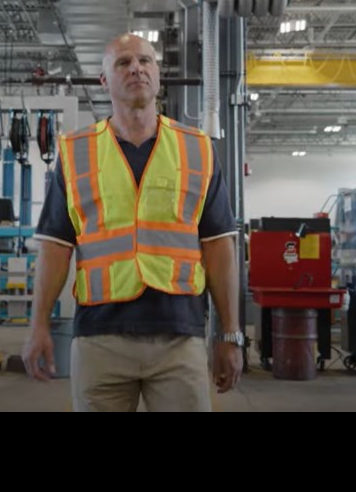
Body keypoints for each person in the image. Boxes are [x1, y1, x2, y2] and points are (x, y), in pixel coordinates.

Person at [22, 33, 243, 412]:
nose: (136, 68)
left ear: (157, 74)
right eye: (123, 62)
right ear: (104, 80)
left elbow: (219, 246)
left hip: (180, 336)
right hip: (99, 338)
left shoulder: (198, 149)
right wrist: (38, 324)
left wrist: (230, 333)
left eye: (145, 60)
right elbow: (56, 246)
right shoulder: (76, 153)